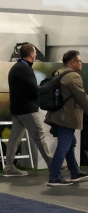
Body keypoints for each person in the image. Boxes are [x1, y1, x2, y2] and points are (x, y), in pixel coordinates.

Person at [43, 50, 88, 187]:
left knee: (70, 143)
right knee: (64, 146)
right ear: (73, 62)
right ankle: (54, 177)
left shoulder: (57, 73)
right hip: (67, 117)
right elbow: (82, 97)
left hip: (56, 115)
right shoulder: (73, 77)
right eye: (80, 61)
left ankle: (75, 172)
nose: (81, 63)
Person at [3, 43, 56, 177]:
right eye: (35, 52)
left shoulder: (17, 67)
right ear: (31, 54)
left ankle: (9, 167)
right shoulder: (24, 69)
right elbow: (33, 89)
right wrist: (47, 87)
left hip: (18, 109)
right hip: (27, 109)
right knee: (39, 137)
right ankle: (53, 166)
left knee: (14, 139)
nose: (36, 54)